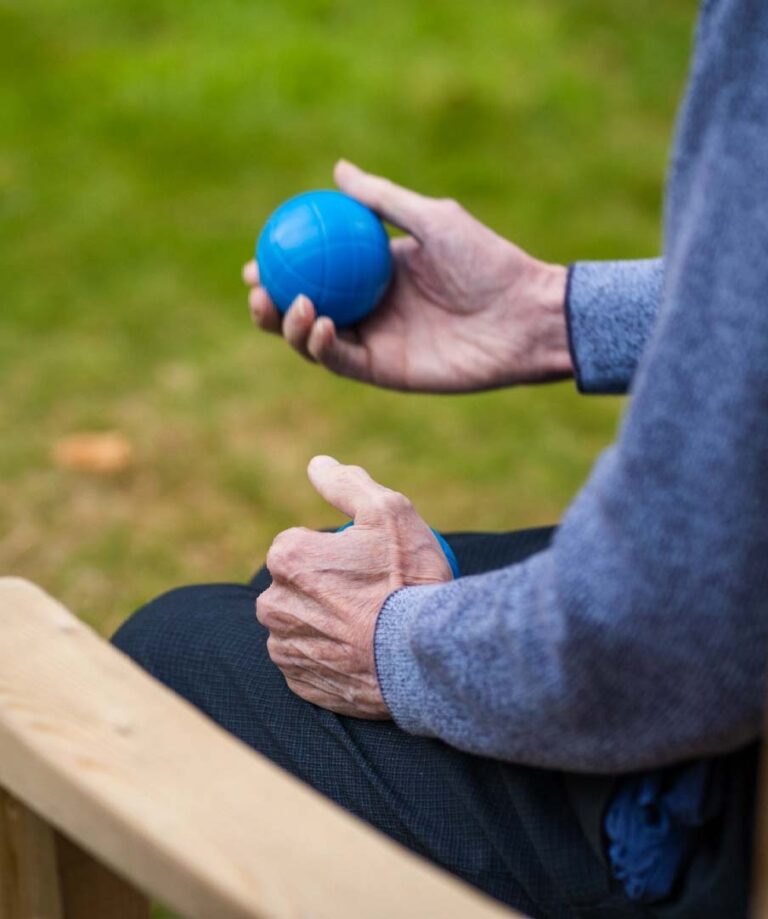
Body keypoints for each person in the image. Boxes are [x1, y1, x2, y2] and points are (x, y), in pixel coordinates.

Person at [112, 2, 767, 916]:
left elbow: (666, 629)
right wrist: (555, 314)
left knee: (177, 649)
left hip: (725, 798)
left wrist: (396, 644)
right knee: (286, 597)